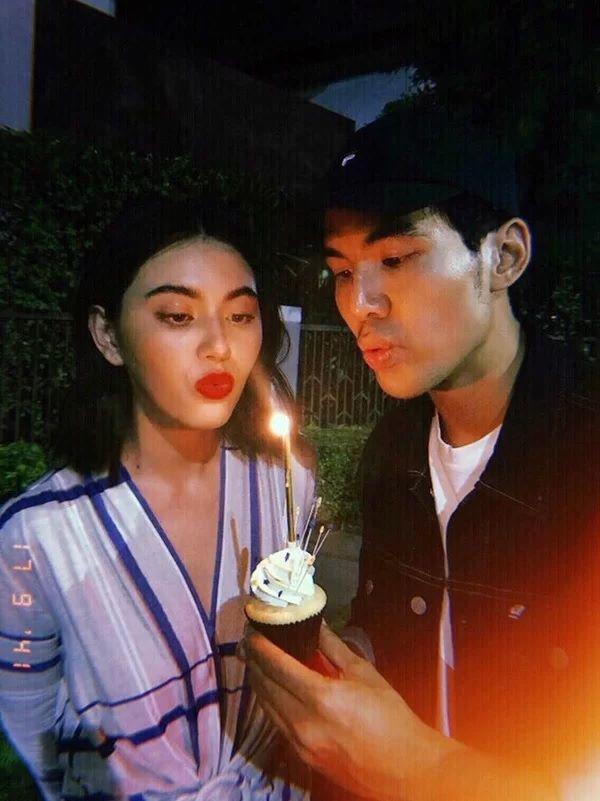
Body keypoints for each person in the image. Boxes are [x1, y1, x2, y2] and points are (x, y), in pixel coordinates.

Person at [242, 109, 600, 801]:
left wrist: (416, 768)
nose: (360, 305)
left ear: (504, 256)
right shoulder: (393, 451)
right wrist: (339, 664)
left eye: (396, 259)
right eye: (341, 271)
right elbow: (395, 627)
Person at [0, 196, 314, 800]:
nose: (218, 345)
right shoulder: (34, 538)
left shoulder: (285, 483)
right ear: (108, 336)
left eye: (241, 315)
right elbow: (37, 735)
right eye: (177, 315)